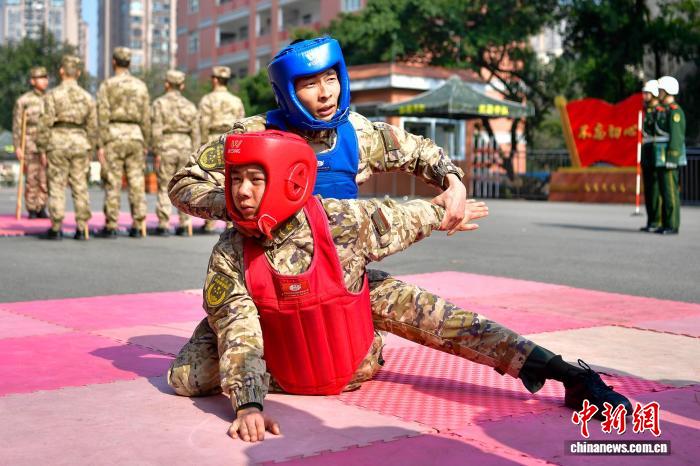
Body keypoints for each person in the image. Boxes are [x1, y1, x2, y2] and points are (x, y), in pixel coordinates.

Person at [167, 130, 632, 443]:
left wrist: (445, 209)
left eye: (255, 180)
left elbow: (405, 216)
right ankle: (247, 346)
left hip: (349, 334)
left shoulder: (340, 220)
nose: (242, 193)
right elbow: (241, 332)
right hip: (280, 356)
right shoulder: (230, 252)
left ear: (291, 182)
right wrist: (247, 404)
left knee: (432, 313)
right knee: (186, 377)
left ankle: (562, 372)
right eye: (236, 181)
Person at [35, 56, 97, 240]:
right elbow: (93, 126)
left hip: (57, 141)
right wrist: (91, 148)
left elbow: (45, 123)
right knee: (80, 185)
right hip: (80, 142)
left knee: (56, 184)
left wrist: (42, 148)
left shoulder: (52, 95)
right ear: (78, 73)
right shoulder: (87, 97)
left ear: (61, 71)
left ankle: (56, 227)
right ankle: (82, 227)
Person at [97, 47, 151, 238]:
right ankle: (138, 223)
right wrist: (146, 142)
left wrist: (100, 144)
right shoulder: (140, 86)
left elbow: (102, 115)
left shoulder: (107, 85)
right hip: (135, 135)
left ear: (114, 62)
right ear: (129, 63)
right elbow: (146, 117)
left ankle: (111, 224)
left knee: (113, 181)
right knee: (136, 181)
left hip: (114, 135)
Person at [197, 65, 246, 234]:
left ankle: (210, 222)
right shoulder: (236, 100)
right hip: (232, 141)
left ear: (215, 80)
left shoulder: (207, 100)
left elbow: (203, 124)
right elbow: (242, 124)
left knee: (210, 180)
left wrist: (202, 144)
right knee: (232, 179)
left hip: (213, 139)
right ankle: (231, 221)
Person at [151, 70, 200, 236]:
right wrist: (195, 154)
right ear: (182, 86)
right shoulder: (190, 105)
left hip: (166, 146)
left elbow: (156, 129)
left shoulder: (159, 103)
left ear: (167, 84)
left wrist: (156, 151)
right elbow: (195, 132)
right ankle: (184, 223)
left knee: (164, 185)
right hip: (185, 146)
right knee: (184, 184)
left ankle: (164, 223)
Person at [13, 66, 50, 219]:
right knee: (32, 176)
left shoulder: (51, 98)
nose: (44, 81)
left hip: (47, 142)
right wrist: (17, 146)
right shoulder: (24, 101)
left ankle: (42, 206)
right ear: (32, 81)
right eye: (40, 78)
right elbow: (17, 125)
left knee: (45, 176)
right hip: (30, 142)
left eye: (45, 77)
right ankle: (32, 208)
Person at [654, 76, 685, 235]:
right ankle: (666, 222)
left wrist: (673, 157)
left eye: (660, 90)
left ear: (668, 91)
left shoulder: (675, 112)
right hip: (662, 156)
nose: (658, 93)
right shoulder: (664, 111)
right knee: (664, 191)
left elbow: (676, 137)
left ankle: (673, 224)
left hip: (669, 156)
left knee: (671, 191)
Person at [640, 80, 662, 232]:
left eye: (647, 93)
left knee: (656, 189)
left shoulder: (659, 111)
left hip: (655, 152)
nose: (644, 96)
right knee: (648, 189)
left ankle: (658, 221)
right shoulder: (646, 110)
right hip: (646, 152)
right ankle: (651, 220)